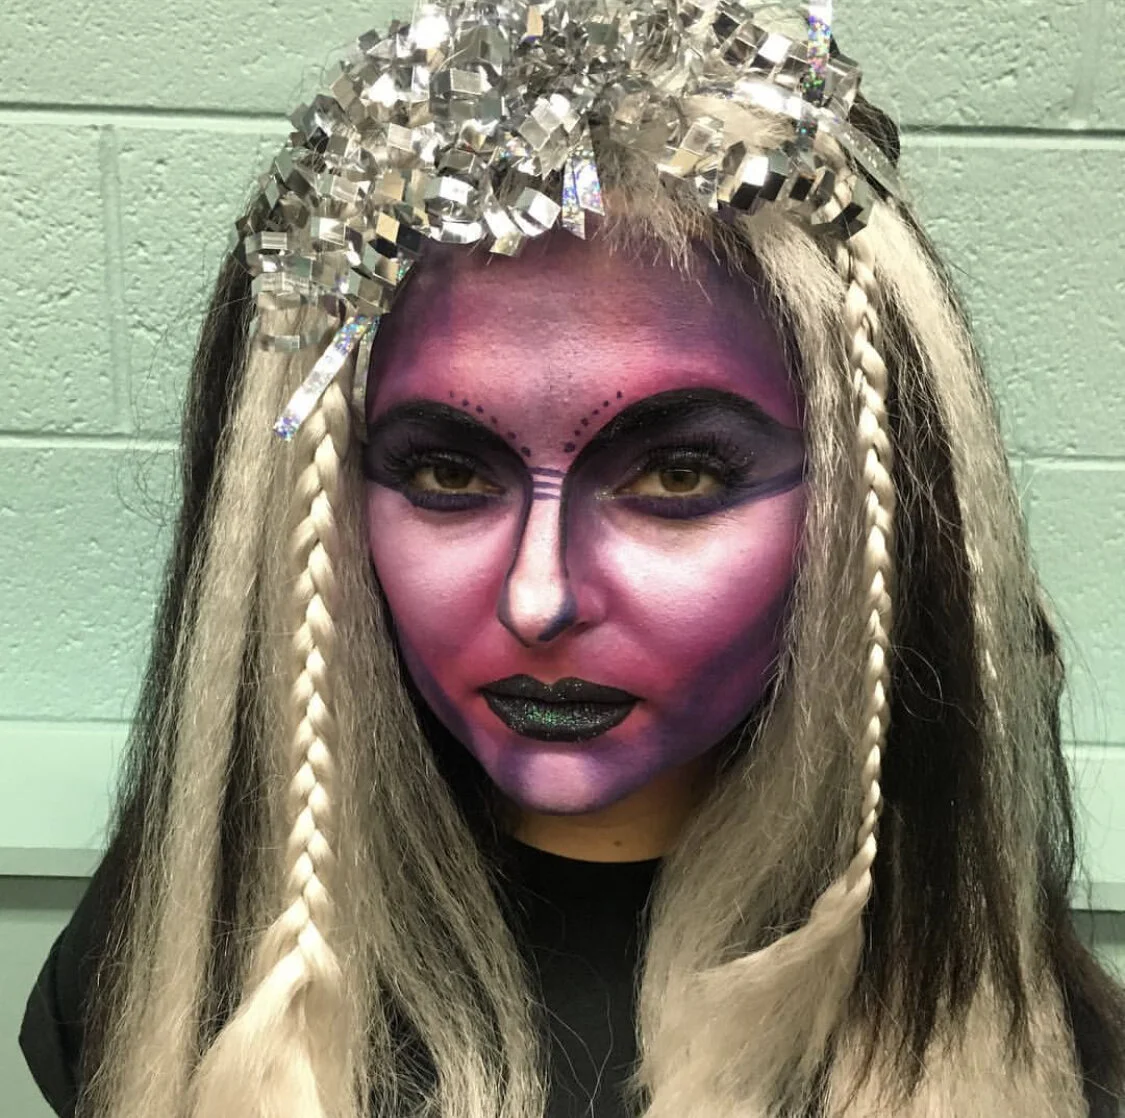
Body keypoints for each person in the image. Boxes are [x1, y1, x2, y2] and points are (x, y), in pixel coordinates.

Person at [18, 2, 1125, 1116]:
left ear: (862, 503)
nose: (538, 599)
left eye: (679, 475)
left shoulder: (997, 1011)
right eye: (446, 472)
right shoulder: (164, 965)